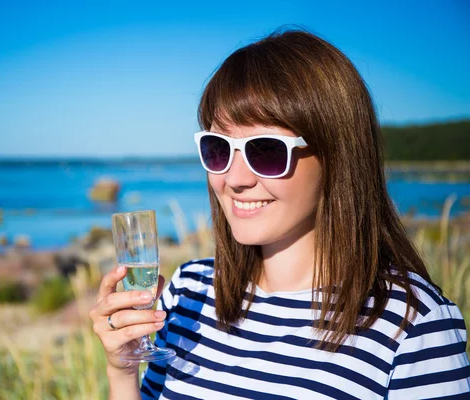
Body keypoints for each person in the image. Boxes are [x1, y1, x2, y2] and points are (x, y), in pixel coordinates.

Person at [90, 28, 470, 399]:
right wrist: (122, 372)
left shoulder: (414, 328)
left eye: (266, 150)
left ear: (337, 156)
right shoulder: (188, 292)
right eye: (218, 149)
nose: (235, 179)